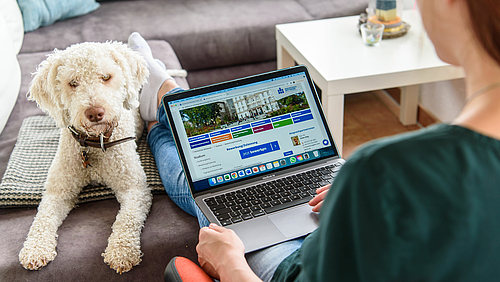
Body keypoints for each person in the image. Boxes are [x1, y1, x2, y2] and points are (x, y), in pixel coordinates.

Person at [129, 0, 500, 279]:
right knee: (215, 184)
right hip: (347, 230)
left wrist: (230, 265)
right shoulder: (387, 176)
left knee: (204, 190)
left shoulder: (386, 171)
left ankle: (163, 107)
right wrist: (356, 200)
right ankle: (165, 101)